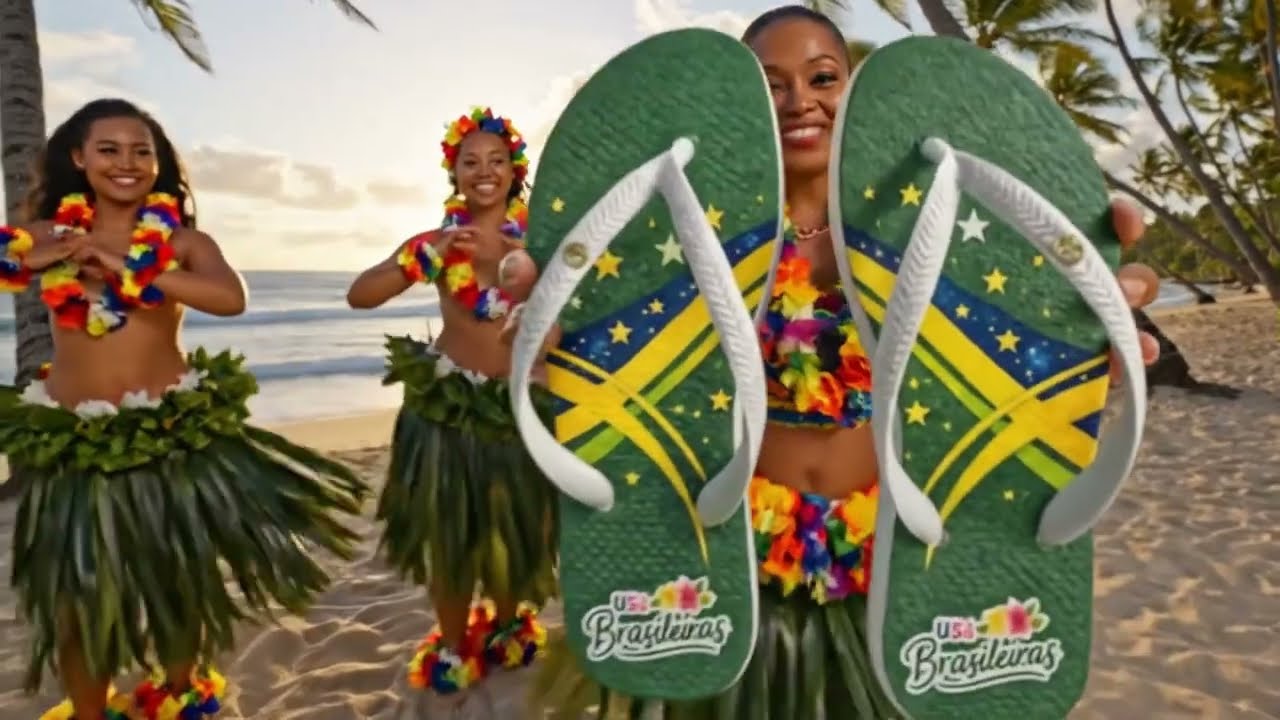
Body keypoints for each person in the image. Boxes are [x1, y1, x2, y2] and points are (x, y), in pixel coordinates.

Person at [501, 5, 1164, 717]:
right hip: (726, 564)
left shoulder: (933, 233)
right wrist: (547, 342)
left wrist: (1085, 318)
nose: (800, 101)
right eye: (769, 86)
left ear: (855, 91)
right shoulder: (680, 238)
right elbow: (609, 348)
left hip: (904, 570)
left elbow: (1010, 344)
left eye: (823, 78)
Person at [0, 98, 370, 720]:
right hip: (76, 443)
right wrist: (24, 257)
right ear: (79, 158)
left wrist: (124, 267)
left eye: (141, 151)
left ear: (159, 164)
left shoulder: (180, 241)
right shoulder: (51, 234)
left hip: (168, 433)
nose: (126, 162)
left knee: (177, 585)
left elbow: (229, 297)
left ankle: (179, 698)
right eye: (109, 149)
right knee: (77, 598)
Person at [346, 107, 559, 708]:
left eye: (497, 160)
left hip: (520, 407)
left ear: (515, 170)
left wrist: (520, 259)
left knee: (518, 530)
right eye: (471, 161)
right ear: (454, 172)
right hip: (448, 409)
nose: (484, 171)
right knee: (450, 535)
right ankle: (453, 641)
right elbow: (360, 295)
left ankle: (510, 626)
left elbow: (566, 318)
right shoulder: (437, 244)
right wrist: (424, 258)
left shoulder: (544, 241)